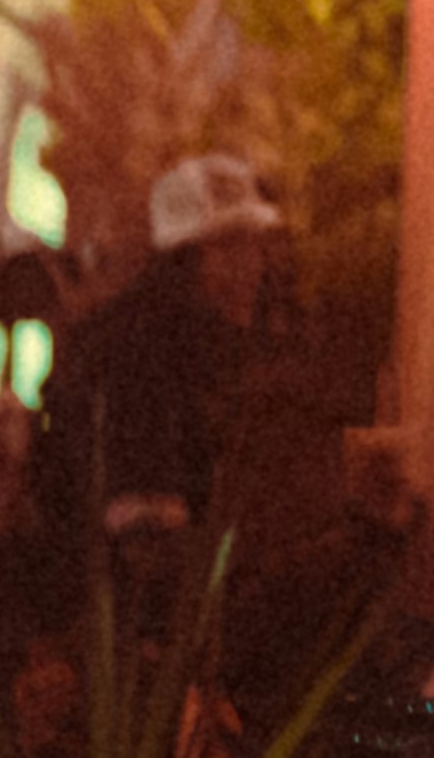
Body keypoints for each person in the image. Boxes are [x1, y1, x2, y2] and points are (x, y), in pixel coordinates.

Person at [34, 150, 283, 554]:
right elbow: (149, 558)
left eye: (253, 247)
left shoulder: (202, 351)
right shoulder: (134, 361)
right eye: (228, 248)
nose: (250, 268)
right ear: (180, 263)